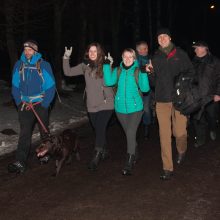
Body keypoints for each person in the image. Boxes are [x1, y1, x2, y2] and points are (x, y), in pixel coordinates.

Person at [146, 28, 194, 180]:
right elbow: (153, 83)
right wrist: (150, 73)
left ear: (170, 38)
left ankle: (182, 148)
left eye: (164, 36)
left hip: (179, 99)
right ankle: (167, 168)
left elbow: (191, 72)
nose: (162, 39)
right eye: (159, 37)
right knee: (164, 135)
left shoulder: (180, 54)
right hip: (161, 100)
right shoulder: (155, 57)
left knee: (179, 132)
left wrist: (182, 85)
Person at [63, 42, 114, 171]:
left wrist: (110, 65)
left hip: (106, 103)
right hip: (91, 105)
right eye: (90, 51)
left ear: (99, 53)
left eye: (95, 51)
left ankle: (96, 156)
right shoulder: (84, 66)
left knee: (101, 127)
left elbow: (111, 80)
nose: (92, 53)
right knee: (98, 129)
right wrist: (66, 57)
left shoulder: (105, 65)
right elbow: (68, 72)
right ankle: (104, 150)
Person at [8, 40, 56, 173]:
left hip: (40, 103)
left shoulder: (44, 65)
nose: (27, 52)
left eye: (30, 49)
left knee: (44, 131)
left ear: (35, 51)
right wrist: (19, 102)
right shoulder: (19, 65)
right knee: (24, 133)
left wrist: (45, 104)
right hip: (24, 105)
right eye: (25, 49)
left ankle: (45, 154)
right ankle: (20, 161)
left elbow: (51, 87)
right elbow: (15, 86)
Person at [103, 48, 150, 175]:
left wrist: (144, 73)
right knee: (130, 135)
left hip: (135, 108)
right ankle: (136, 152)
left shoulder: (137, 71)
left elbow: (145, 89)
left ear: (134, 58)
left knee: (130, 132)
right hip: (120, 109)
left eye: (130, 57)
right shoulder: (118, 70)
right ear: (122, 58)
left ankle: (129, 161)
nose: (127, 59)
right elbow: (108, 82)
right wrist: (107, 65)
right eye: (125, 56)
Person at [191, 41, 220, 147]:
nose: (194, 50)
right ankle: (200, 139)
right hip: (197, 96)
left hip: (211, 95)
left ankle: (213, 128)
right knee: (197, 118)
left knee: (212, 116)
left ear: (204, 48)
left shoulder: (215, 61)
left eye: (196, 48)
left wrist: (218, 93)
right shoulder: (193, 61)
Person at [136, 41, 153, 139]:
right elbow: (135, 69)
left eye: (146, 48)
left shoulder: (151, 59)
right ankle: (135, 127)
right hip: (136, 88)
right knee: (137, 108)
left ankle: (147, 127)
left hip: (147, 89)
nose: (145, 50)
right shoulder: (134, 59)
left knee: (146, 108)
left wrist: (152, 71)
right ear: (138, 50)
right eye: (143, 48)